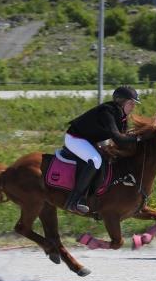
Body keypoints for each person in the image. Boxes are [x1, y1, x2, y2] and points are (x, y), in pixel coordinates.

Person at [63, 86, 147, 214]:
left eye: (134, 104)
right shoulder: (107, 111)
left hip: (91, 139)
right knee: (96, 160)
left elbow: (123, 141)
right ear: (121, 102)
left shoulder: (122, 116)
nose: (133, 107)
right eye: (131, 103)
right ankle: (74, 201)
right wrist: (140, 139)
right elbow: (118, 138)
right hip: (75, 138)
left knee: (109, 158)